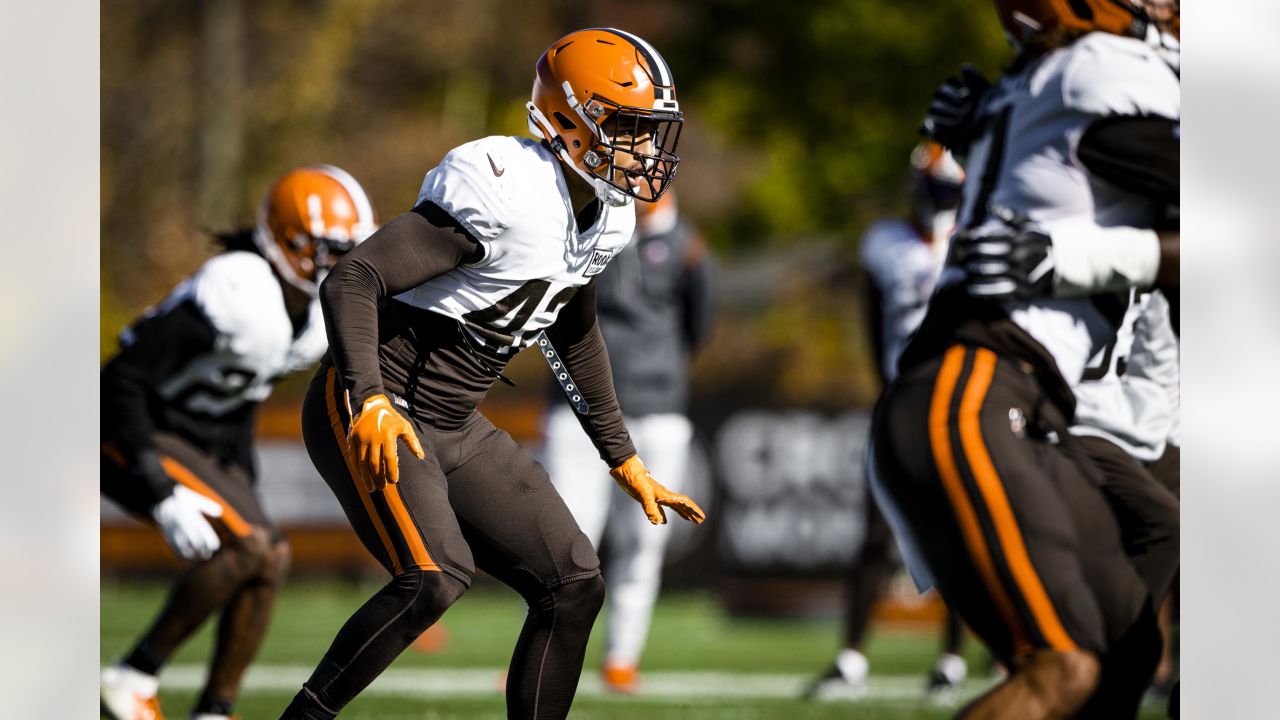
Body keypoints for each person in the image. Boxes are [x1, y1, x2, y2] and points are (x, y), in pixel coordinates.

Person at [277, 28, 705, 720]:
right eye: (628, 128)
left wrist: (619, 454)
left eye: (649, 131)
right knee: (434, 577)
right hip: (372, 398)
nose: (645, 150)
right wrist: (370, 398)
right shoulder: (505, 188)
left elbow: (573, 326)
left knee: (574, 581)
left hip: (453, 419)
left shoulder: (612, 216)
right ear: (570, 121)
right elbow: (352, 279)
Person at [868, 0, 1180, 716]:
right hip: (978, 387)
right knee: (1064, 671)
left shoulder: (1046, 80)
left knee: (1123, 654)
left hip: (1009, 395)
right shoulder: (1106, 68)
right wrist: (1074, 259)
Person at [100, 166, 378, 720]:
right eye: (328, 248)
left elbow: (239, 404)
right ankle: (133, 676)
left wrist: (243, 486)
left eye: (349, 249)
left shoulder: (311, 317)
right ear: (287, 240)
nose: (338, 263)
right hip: (124, 427)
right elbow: (120, 381)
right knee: (251, 545)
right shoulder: (239, 287)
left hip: (190, 434)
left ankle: (214, 710)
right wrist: (158, 488)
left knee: (269, 554)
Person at [807, 142, 973, 701]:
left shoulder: (975, 240)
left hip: (959, 400)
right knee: (877, 532)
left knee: (958, 532)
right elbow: (875, 326)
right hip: (902, 397)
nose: (939, 201)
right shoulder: (884, 243)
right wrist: (890, 389)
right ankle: (852, 658)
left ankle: (952, 661)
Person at [540, 189, 714, 694]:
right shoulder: (582, 227)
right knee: (566, 540)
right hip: (579, 408)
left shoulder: (688, 246)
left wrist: (655, 372)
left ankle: (621, 657)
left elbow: (697, 327)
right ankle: (545, 656)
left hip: (657, 410)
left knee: (644, 541)